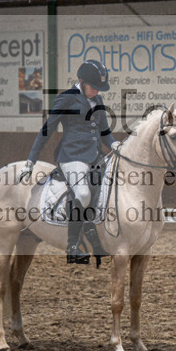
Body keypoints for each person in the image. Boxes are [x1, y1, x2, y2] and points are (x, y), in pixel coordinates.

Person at [18, 59, 120, 264]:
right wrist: (31, 160)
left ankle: (94, 236)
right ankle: (73, 245)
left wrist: (115, 144)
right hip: (72, 157)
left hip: (95, 156)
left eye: (99, 88)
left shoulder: (98, 100)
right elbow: (47, 130)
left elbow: (104, 132)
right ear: (81, 81)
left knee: (109, 189)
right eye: (94, 87)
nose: (96, 92)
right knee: (82, 193)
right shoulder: (67, 99)